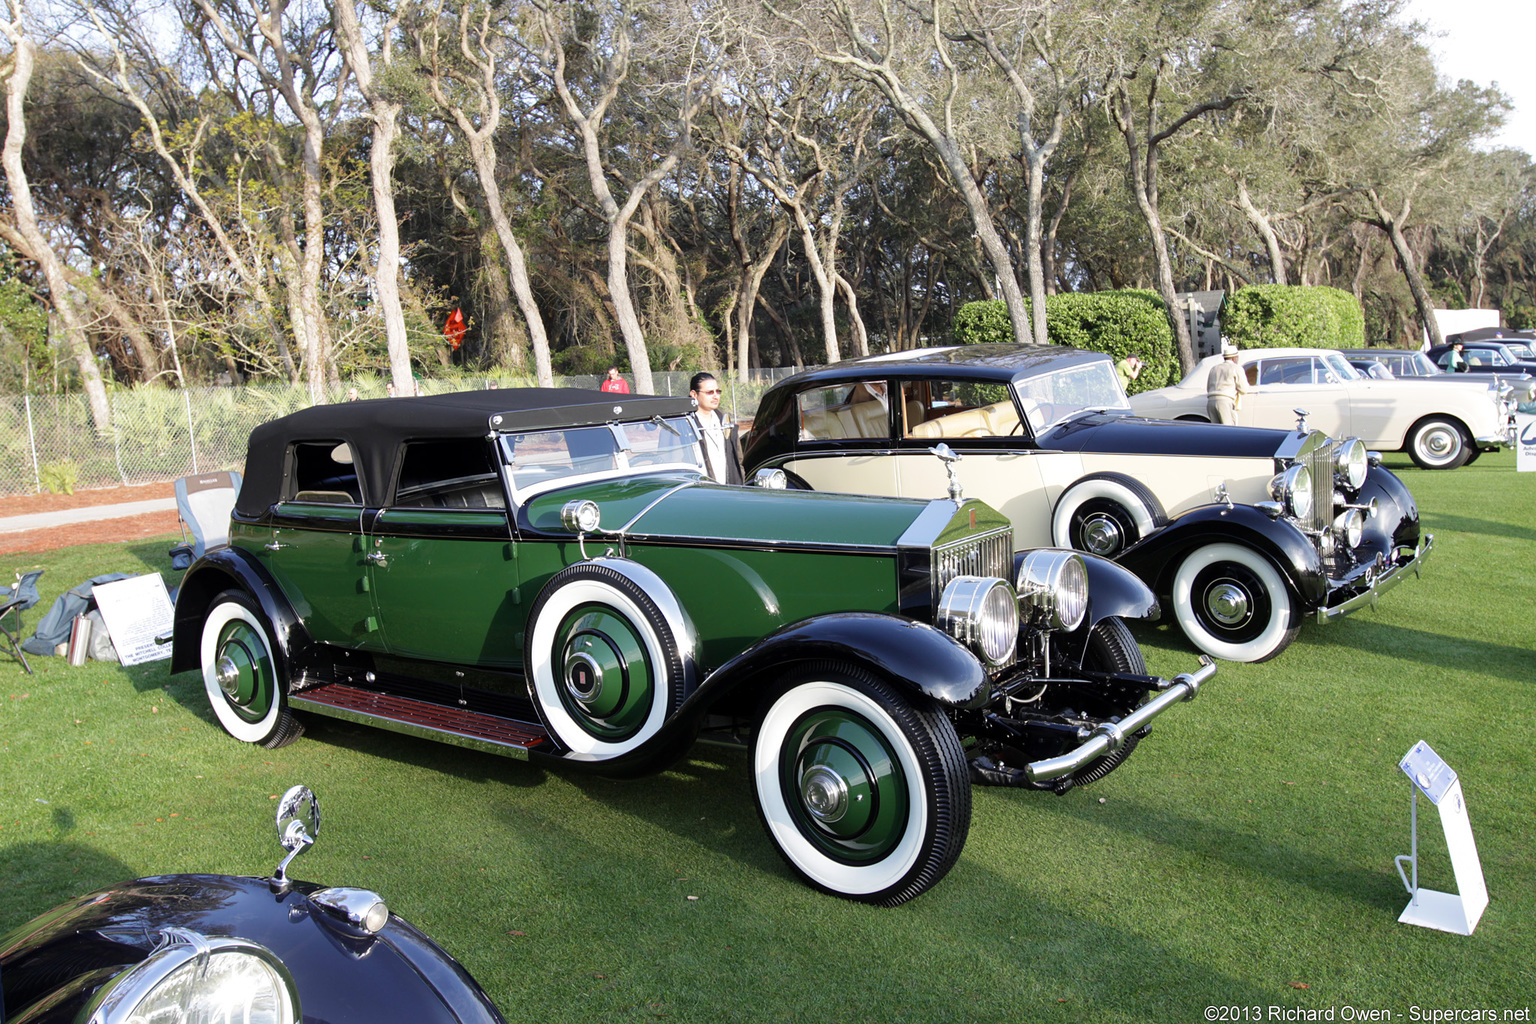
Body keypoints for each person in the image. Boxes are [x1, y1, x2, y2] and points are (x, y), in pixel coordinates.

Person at [690, 372, 743, 484]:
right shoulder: (686, 427)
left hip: (729, 493)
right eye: (709, 392)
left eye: (717, 391)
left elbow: (738, 462)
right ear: (694, 394)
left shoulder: (726, 424)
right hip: (702, 493)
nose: (715, 396)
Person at [1206, 342, 1249, 425]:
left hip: (1210, 402)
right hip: (1225, 401)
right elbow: (1244, 389)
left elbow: (1208, 388)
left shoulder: (1214, 368)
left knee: (1216, 431)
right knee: (1229, 430)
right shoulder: (1236, 368)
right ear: (1234, 358)